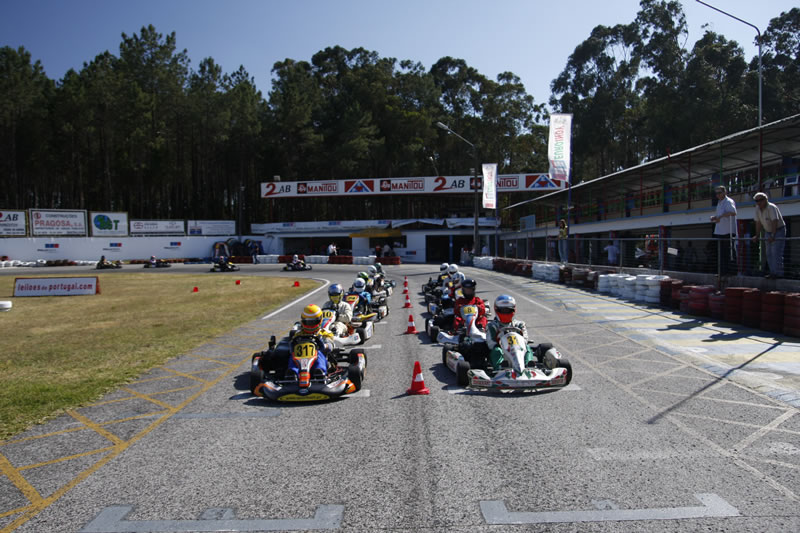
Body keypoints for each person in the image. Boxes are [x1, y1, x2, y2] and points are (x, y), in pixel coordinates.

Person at [486, 295, 536, 369]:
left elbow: (525, 339)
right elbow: (491, 343)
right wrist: (501, 345)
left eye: (508, 310)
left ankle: (528, 365)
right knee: (496, 350)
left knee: (527, 347)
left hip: (518, 349)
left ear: (513, 310)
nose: (505, 312)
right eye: (503, 310)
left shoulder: (520, 324)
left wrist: (518, 346)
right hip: (502, 350)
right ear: (497, 309)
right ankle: (501, 367)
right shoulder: (492, 325)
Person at [288, 304, 332, 378]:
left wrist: (325, 345)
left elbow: (331, 345)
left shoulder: (324, 333)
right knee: (292, 357)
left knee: (319, 354)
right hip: (299, 357)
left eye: (313, 322)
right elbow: (292, 345)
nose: (310, 325)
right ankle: (292, 372)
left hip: (316, 357)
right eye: (308, 322)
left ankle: (320, 371)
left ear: (320, 320)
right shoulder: (298, 334)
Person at [751, 192, 785, 278]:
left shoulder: (771, 207)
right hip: (767, 231)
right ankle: (772, 272)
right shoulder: (757, 209)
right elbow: (758, 223)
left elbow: (775, 221)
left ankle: (779, 273)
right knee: (768, 253)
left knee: (776, 252)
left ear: (766, 199)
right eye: (756, 200)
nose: (759, 202)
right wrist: (757, 235)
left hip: (778, 230)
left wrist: (773, 235)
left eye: (761, 200)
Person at [710, 185, 737, 276]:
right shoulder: (719, 202)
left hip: (728, 231)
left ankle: (730, 272)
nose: (717, 195)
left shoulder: (728, 201)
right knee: (721, 253)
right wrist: (715, 217)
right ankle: (722, 272)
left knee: (728, 252)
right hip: (720, 231)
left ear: (724, 192)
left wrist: (720, 217)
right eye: (716, 193)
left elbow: (733, 212)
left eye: (719, 193)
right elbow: (720, 215)